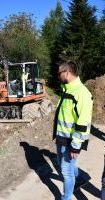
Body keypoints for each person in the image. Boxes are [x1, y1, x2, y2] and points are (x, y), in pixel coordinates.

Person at [53, 61, 93, 200]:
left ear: (67, 73)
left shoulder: (82, 93)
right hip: (61, 138)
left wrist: (76, 146)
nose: (58, 76)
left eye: (60, 73)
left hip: (71, 141)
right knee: (63, 165)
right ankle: (81, 177)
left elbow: (83, 123)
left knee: (66, 171)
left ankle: (66, 197)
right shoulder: (67, 89)